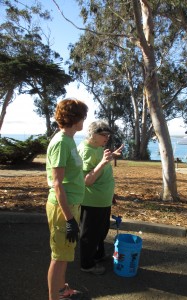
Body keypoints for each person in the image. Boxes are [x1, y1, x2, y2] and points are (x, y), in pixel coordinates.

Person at [46, 98, 88, 300]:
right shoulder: (61, 142)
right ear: (75, 118)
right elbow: (57, 184)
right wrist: (69, 218)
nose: (85, 121)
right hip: (63, 208)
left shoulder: (70, 140)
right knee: (59, 256)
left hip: (71, 205)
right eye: (83, 116)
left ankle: (62, 290)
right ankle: (54, 297)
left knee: (65, 254)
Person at [77, 120, 123, 275]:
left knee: (101, 231)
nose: (107, 137)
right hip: (92, 201)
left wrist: (111, 157)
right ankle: (87, 264)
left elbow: (102, 170)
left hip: (103, 200)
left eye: (108, 134)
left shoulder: (98, 147)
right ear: (92, 134)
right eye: (103, 134)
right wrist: (104, 162)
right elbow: (87, 181)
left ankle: (98, 255)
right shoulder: (86, 150)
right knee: (89, 235)